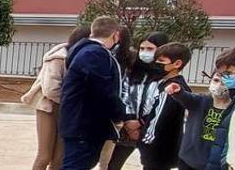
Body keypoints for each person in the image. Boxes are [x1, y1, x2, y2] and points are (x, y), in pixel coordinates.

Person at [61, 16, 138, 169]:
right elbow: (102, 91)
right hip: (85, 126)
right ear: (115, 35)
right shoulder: (94, 54)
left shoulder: (85, 51)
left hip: (80, 123)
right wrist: (120, 116)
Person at [23, 25, 91, 170]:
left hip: (68, 111)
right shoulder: (58, 58)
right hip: (48, 107)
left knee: (59, 158)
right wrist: (72, 102)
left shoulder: (85, 59)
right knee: (44, 155)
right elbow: (50, 89)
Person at [102, 30, 170, 170]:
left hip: (149, 130)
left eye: (150, 49)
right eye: (142, 48)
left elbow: (162, 104)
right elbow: (123, 94)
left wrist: (140, 123)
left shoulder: (166, 77)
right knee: (111, 165)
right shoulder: (132, 71)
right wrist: (128, 120)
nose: (145, 52)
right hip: (125, 129)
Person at [165, 47, 235, 170]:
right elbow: (188, 98)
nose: (220, 84)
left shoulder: (232, 108)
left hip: (211, 162)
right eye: (216, 80)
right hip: (188, 159)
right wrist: (178, 91)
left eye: (228, 75)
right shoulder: (202, 101)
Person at [138, 42, 191, 170]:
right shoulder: (178, 85)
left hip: (157, 148)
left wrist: (145, 140)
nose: (157, 64)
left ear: (177, 64)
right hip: (166, 147)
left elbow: (158, 118)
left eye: (161, 61)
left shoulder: (171, 88)